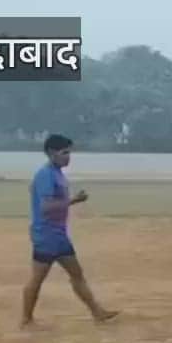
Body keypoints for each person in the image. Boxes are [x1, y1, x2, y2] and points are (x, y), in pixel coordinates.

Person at [21, 134, 118, 329]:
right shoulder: (47, 174)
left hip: (58, 235)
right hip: (47, 236)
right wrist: (74, 200)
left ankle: (97, 311)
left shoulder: (54, 173)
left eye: (69, 152)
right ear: (51, 153)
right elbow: (47, 207)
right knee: (38, 278)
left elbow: (32, 189)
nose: (68, 157)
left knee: (76, 274)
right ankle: (26, 319)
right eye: (64, 153)